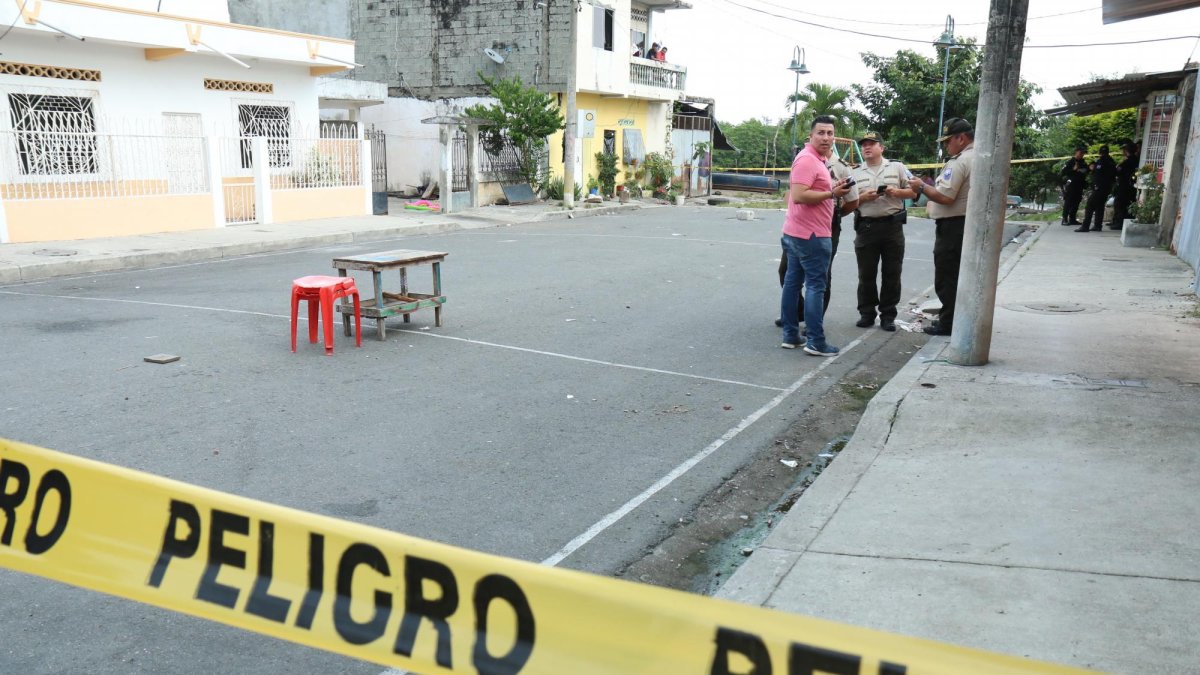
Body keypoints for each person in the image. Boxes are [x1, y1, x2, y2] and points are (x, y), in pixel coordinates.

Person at [779, 115, 857, 356]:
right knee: (814, 286)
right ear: (810, 136)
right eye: (821, 133)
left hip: (801, 232)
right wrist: (831, 193)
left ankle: (791, 335)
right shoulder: (807, 160)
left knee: (793, 284)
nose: (826, 137)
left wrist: (832, 189)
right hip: (810, 235)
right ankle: (815, 341)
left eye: (830, 133)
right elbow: (800, 195)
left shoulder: (818, 160)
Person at [908, 117, 974, 337]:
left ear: (961, 138)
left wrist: (921, 186)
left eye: (948, 141)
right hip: (964, 224)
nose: (947, 146)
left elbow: (945, 196)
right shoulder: (977, 157)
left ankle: (949, 323)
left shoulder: (960, 161)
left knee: (948, 276)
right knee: (957, 276)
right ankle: (952, 319)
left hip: (954, 226)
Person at [850, 131, 918, 332]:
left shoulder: (897, 167)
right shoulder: (854, 172)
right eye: (864, 145)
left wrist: (896, 192)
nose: (867, 148)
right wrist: (863, 198)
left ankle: (888, 315)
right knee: (866, 274)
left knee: (892, 273)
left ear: (882, 147)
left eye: (872, 144)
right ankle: (867, 313)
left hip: (892, 227)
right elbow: (849, 202)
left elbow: (914, 192)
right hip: (866, 227)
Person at [1077, 144, 1115, 232]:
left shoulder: (1101, 161)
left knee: (1090, 205)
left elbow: (1098, 174)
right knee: (1099, 206)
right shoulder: (1111, 161)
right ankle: (1098, 225)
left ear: (1100, 153)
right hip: (1106, 188)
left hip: (1100, 188)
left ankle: (1085, 226)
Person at [1108, 142, 1138, 229]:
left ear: (1126, 150)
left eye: (1123, 149)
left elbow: (1118, 171)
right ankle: (1116, 221)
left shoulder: (1129, 161)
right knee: (1120, 203)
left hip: (1125, 185)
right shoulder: (1131, 159)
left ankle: (1119, 223)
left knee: (1120, 204)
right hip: (1127, 185)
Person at [1059, 145, 1089, 226]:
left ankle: (1072, 218)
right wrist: (1073, 169)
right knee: (1068, 201)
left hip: (1080, 185)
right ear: (1076, 152)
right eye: (1080, 153)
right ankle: (1064, 218)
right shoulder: (1070, 162)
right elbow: (1063, 172)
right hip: (1071, 184)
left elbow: (1086, 170)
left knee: (1076, 202)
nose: (1082, 154)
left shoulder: (1083, 162)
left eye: (1083, 153)